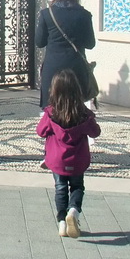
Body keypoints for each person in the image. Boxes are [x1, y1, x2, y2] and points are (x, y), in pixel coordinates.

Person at [37, 69, 101, 238]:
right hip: (78, 159)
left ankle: (61, 222)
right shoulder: (84, 115)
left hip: (57, 160)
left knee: (60, 188)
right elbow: (95, 132)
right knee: (77, 187)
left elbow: (40, 131)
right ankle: (73, 211)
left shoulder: (51, 113)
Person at [35, 0, 96, 108]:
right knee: (75, 104)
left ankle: (51, 127)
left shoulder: (47, 14)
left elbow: (39, 42)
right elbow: (90, 43)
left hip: (53, 66)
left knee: (51, 105)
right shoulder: (84, 15)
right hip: (76, 67)